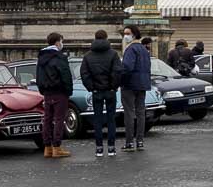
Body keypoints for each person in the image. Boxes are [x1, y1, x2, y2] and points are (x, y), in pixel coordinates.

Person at [80, 29, 123, 157]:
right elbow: (117, 72)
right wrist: (114, 87)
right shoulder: (113, 54)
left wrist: (91, 87)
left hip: (96, 91)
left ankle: (99, 148)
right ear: (106, 38)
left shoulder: (88, 55)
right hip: (110, 91)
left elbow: (84, 74)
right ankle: (111, 147)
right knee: (111, 120)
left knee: (97, 119)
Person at [36, 32, 73, 158]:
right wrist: (68, 91)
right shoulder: (59, 57)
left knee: (47, 119)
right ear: (57, 42)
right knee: (59, 119)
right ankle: (57, 147)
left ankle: (47, 147)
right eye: (61, 41)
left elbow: (38, 76)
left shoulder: (41, 57)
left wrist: (42, 89)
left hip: (47, 92)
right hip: (59, 92)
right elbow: (66, 76)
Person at [121, 35, 152, 152]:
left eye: (127, 33)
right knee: (140, 112)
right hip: (142, 84)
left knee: (129, 113)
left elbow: (127, 67)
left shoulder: (130, 49)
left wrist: (121, 81)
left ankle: (129, 142)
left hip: (130, 84)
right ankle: (140, 141)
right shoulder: (145, 50)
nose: (125, 36)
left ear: (133, 34)